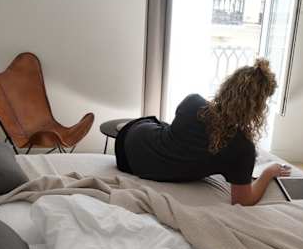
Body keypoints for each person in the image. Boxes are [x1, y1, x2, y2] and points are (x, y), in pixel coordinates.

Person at [115, 58, 291, 206]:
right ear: (257, 107)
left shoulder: (193, 102)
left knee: (168, 129)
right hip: (135, 164)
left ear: (228, 87)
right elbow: (243, 200)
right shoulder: (243, 149)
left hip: (128, 144)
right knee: (170, 131)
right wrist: (268, 173)